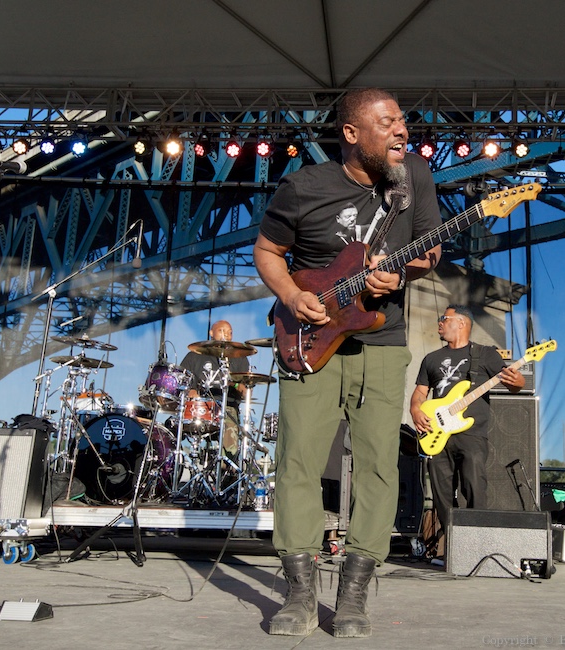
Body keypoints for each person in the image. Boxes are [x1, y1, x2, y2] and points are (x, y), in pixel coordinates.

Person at [253, 87, 442, 638]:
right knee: (298, 464)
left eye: (402, 121)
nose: (400, 131)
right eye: (387, 123)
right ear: (353, 134)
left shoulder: (415, 179)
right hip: (310, 338)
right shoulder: (304, 186)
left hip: (382, 340)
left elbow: (429, 252)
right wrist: (291, 297)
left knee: (381, 465)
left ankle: (354, 593)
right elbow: (268, 251)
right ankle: (301, 592)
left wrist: (402, 274)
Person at [410, 304, 525, 556]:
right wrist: (416, 411)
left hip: (470, 433)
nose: (439, 323)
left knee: (473, 485)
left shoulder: (485, 355)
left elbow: (513, 383)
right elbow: (420, 393)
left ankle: (477, 546)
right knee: (441, 494)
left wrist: (518, 382)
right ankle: (455, 548)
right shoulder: (431, 359)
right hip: (437, 435)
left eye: (444, 319)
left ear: (461, 323)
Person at [179, 320, 249, 456]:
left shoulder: (239, 357)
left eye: (230, 332)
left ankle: (227, 468)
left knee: (229, 443)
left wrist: (235, 385)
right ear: (211, 333)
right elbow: (182, 379)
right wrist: (190, 391)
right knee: (172, 425)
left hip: (227, 407)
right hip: (199, 406)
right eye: (222, 331)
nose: (226, 335)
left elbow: (245, 392)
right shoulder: (196, 354)